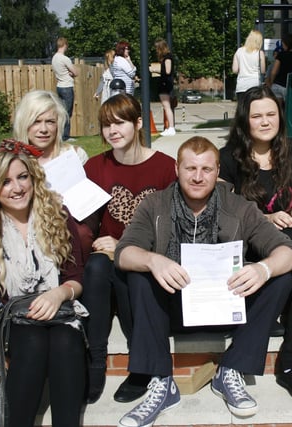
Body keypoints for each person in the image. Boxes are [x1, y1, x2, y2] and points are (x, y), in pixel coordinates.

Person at [114, 136, 292, 427]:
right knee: (137, 275)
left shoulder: (239, 206)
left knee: (280, 277)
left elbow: (286, 250)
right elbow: (124, 252)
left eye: (207, 170)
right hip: (172, 307)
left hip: (224, 306)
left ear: (217, 171)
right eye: (190, 169)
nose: (198, 177)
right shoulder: (155, 204)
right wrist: (153, 260)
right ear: (177, 169)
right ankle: (162, 381)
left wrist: (262, 269)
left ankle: (231, 369)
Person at [0, 142, 87, 426]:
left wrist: (58, 294)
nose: (17, 188)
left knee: (66, 340)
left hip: (57, 308)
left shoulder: (57, 216)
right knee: (33, 341)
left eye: (22, 177)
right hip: (9, 313)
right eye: (5, 182)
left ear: (33, 177)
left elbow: (76, 278)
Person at [219, 86, 292, 402]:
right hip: (246, 241)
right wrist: (265, 219)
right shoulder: (228, 159)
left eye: (271, 114)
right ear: (245, 121)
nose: (265, 122)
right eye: (257, 116)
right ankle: (291, 363)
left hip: (287, 240)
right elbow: (225, 213)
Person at [80, 93, 177, 404]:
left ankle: (140, 364)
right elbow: (84, 220)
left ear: (138, 123)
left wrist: (124, 245)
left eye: (120, 122)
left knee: (130, 272)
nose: (112, 130)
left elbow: (171, 228)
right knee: (98, 267)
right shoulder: (95, 167)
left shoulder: (165, 168)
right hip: (105, 255)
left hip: (150, 254)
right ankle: (95, 360)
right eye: (106, 125)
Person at [13, 90, 88, 166]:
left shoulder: (76, 156)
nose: (43, 129)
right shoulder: (11, 161)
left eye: (50, 122)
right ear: (23, 124)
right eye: (36, 122)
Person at [51, 37, 79, 141]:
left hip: (59, 86)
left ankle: (59, 135)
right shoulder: (65, 59)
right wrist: (71, 73)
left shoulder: (54, 58)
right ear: (65, 45)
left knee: (61, 111)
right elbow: (76, 72)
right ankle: (65, 136)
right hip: (67, 86)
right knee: (67, 113)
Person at [232, 30, 266, 104]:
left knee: (242, 109)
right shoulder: (260, 53)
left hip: (242, 85)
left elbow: (235, 70)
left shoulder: (239, 51)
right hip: (255, 85)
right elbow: (263, 70)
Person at [266, 34, 292, 102]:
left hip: (278, 84)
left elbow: (274, 71)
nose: (283, 46)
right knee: (290, 108)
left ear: (287, 44)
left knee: (279, 108)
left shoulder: (281, 55)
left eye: (283, 44)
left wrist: (271, 82)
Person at [154, 38, 176, 136]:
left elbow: (167, 71)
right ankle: (169, 127)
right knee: (166, 106)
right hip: (165, 83)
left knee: (167, 106)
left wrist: (156, 70)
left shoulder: (167, 58)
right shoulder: (166, 57)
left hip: (165, 83)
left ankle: (171, 127)